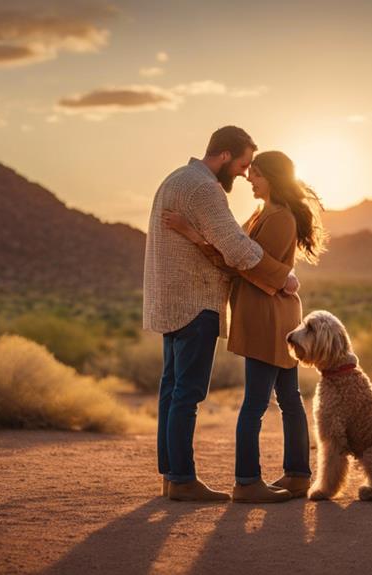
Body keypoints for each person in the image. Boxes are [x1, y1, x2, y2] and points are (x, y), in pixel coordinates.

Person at [143, 126, 300, 502]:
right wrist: (284, 278)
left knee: (171, 391)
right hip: (197, 303)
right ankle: (182, 479)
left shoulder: (175, 180)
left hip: (170, 301)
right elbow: (237, 249)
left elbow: (223, 244)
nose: (246, 174)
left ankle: (172, 475)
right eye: (244, 164)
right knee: (188, 394)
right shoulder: (205, 188)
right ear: (226, 157)